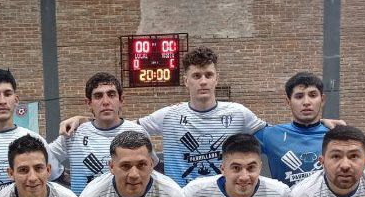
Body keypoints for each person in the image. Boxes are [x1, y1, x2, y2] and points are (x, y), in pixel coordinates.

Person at [60, 48, 266, 187]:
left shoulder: (239, 113)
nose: (203, 81)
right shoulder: (168, 115)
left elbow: (275, 139)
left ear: (216, 78)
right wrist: (85, 120)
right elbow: (121, 127)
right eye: (196, 76)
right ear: (186, 81)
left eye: (208, 75)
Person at [47, 72, 153, 194]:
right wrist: (61, 176)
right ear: (88, 103)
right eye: (98, 96)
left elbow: (150, 167)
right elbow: (46, 156)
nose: (105, 101)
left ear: (121, 100)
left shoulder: (138, 131)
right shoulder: (74, 134)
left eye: (111, 95)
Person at [74, 131, 187, 197]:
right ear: (112, 167)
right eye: (125, 166)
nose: (134, 175)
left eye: (141, 164)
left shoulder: (173, 196)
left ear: (152, 165)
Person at [257, 72, 331, 185]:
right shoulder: (270, 135)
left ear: (322, 99)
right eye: (299, 96)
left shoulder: (335, 135)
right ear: (288, 101)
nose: (306, 102)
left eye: (312, 95)